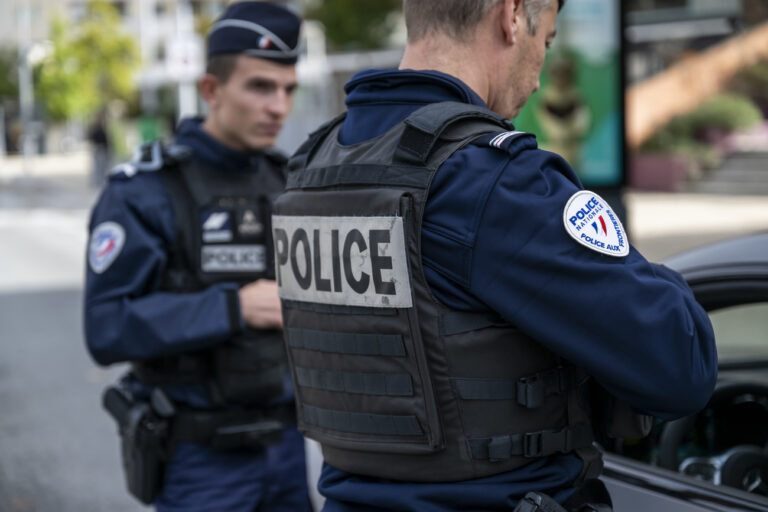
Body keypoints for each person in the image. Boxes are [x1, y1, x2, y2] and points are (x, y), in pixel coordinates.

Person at [270, 0, 718, 511]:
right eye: (545, 41)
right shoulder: (491, 180)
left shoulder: (314, 166)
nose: (539, 80)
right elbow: (683, 363)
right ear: (511, 15)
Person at [84, 3, 312, 511]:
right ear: (211, 90)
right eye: (260, 86)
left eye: (288, 89)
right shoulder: (144, 192)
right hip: (201, 458)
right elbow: (105, 327)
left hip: (287, 448)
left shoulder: (288, 183)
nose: (279, 106)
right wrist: (233, 307)